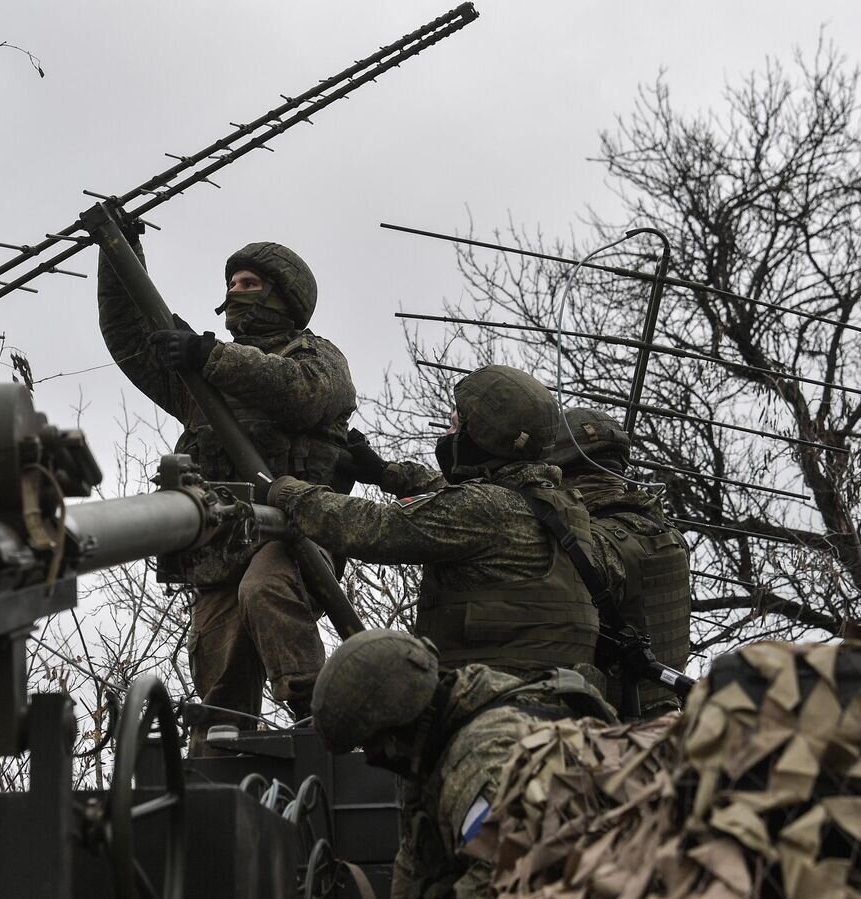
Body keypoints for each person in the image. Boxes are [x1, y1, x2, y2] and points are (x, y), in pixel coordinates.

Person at [98, 235, 356, 754]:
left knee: (266, 588)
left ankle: (316, 715)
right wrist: (117, 253)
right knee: (219, 653)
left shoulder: (315, 355)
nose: (235, 292)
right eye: (231, 284)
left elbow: (302, 394)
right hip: (223, 543)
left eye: (249, 284)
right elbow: (130, 339)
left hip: (295, 534)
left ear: (282, 296)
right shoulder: (202, 379)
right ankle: (221, 749)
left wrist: (210, 355)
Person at [270, 364, 606, 685]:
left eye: (455, 427)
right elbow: (476, 501)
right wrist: (387, 473)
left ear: (481, 438)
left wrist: (289, 492)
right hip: (558, 698)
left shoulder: (484, 510)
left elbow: (373, 528)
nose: (447, 435)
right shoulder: (564, 508)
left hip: (494, 700)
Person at [312, 628, 615, 898]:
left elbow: (507, 877)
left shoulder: (479, 762)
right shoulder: (463, 711)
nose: (370, 757)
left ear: (395, 728)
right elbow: (415, 864)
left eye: (371, 745)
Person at [546, 407, 691, 717]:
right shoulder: (669, 534)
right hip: (666, 718)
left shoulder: (595, 546)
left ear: (561, 472)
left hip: (610, 727)